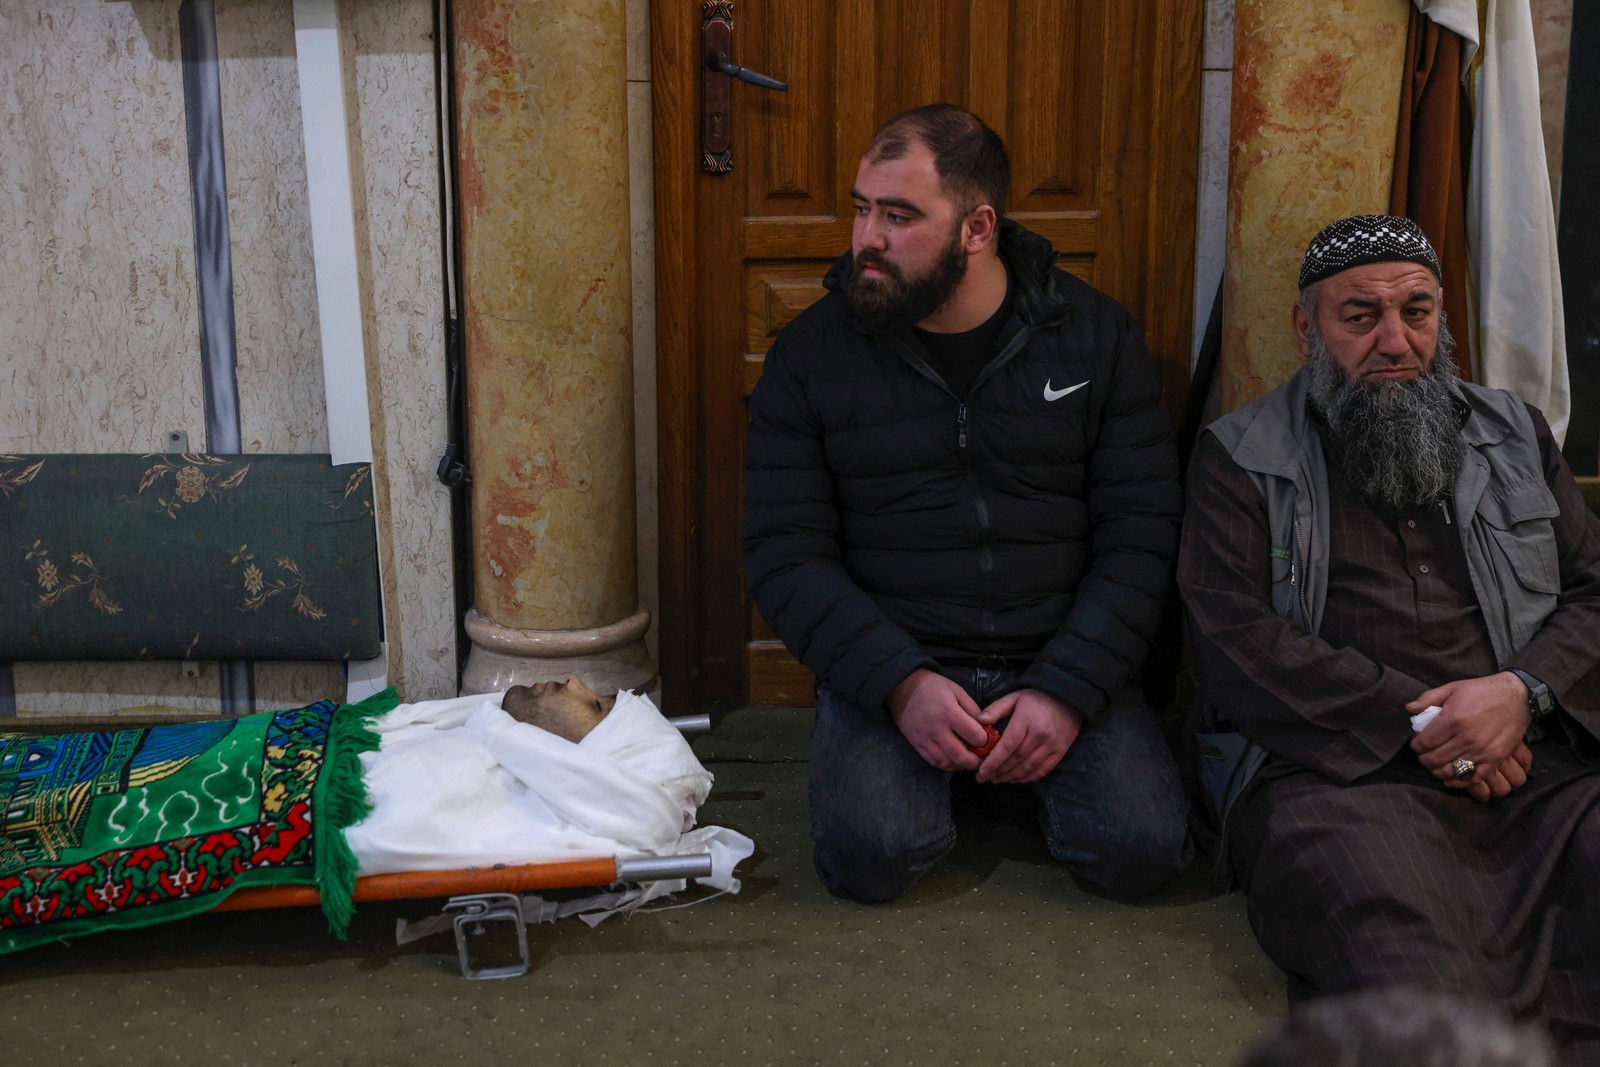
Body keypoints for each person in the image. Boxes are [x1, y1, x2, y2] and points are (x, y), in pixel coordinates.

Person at [742, 103, 1188, 903]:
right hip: (901, 657)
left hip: (1059, 650)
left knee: (1142, 853)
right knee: (871, 859)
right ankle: (967, 763)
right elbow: (784, 552)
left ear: (977, 228)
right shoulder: (811, 354)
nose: (865, 239)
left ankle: (1018, 753)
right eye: (861, 208)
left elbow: (1142, 535)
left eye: (899, 215)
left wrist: (1066, 689)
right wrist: (898, 683)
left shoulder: (1095, 338)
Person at [1178, 214, 1600, 1055]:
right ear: (1308, 327)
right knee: (1412, 971)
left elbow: (1595, 591)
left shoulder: (1515, 434)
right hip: (1341, 776)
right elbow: (1234, 642)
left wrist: (1518, 692)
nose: (1395, 341)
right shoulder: (1242, 456)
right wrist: (1436, 726)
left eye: (1417, 311)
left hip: (1539, 760)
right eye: (1360, 316)